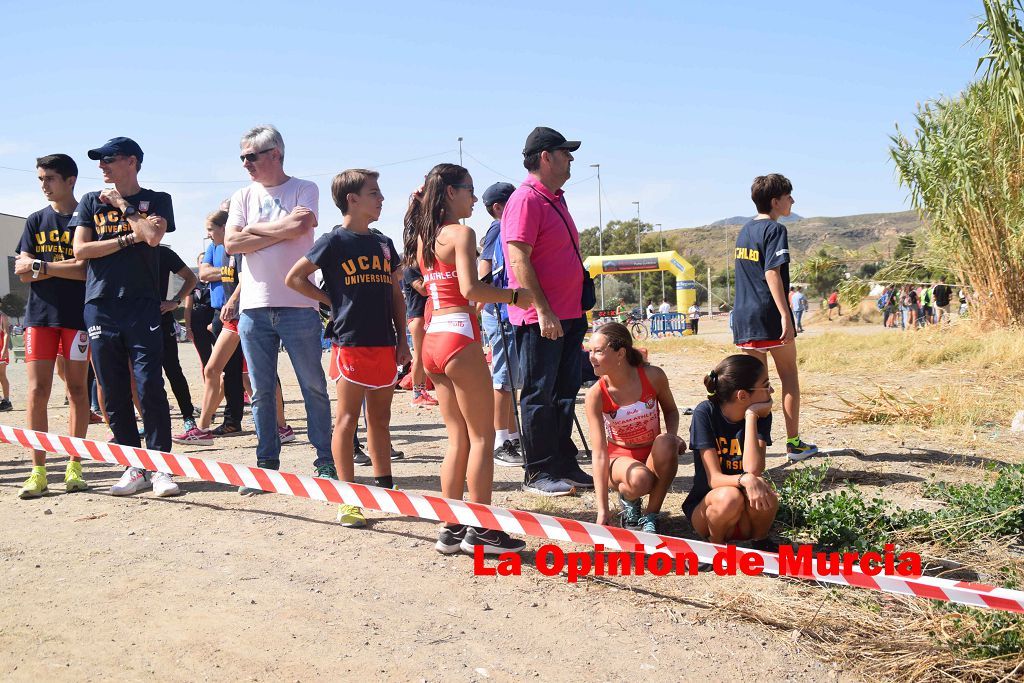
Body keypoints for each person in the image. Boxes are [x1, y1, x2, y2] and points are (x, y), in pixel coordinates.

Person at [404, 162, 531, 554]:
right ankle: (484, 530)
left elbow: (429, 286)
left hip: (434, 337)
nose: (475, 198)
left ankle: (452, 527)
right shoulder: (462, 232)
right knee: (482, 437)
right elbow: (471, 288)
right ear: (450, 193)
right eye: (469, 190)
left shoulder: (425, 238)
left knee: (457, 438)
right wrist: (515, 296)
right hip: (458, 333)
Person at [286, 168, 411, 528]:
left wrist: (403, 339)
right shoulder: (333, 241)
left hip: (384, 341)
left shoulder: (384, 243)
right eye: (374, 192)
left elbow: (395, 295)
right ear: (352, 199)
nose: (381, 198)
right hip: (350, 341)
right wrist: (331, 302)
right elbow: (294, 278)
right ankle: (348, 496)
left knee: (381, 421)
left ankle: (385, 487)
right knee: (346, 420)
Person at [224, 125, 335, 485]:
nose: (245, 163)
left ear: (275, 154)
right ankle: (267, 463)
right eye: (242, 157)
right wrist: (280, 229)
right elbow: (230, 244)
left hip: (299, 305)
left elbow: (301, 223)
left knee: (313, 386)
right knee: (261, 392)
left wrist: (253, 232)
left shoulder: (305, 188)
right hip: (253, 308)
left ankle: (325, 459)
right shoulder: (242, 195)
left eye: (251, 156)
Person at [70, 137, 179, 497]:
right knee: (113, 390)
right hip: (100, 303)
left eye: (109, 159)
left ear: (131, 162)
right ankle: (134, 465)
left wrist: (121, 205)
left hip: (141, 302)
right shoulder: (89, 201)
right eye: (99, 160)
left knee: (149, 384)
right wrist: (125, 239)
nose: (102, 166)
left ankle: (161, 465)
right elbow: (82, 250)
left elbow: (152, 236)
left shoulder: (157, 200)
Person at [503, 126, 594, 495]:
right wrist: (543, 309)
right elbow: (517, 257)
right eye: (565, 151)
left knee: (565, 391)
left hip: (568, 313)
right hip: (542, 317)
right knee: (540, 393)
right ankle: (538, 472)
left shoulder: (555, 198)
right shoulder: (525, 199)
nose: (570, 158)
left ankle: (563, 463)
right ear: (545, 156)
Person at [14, 153, 90, 498]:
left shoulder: (86, 217)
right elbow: (20, 269)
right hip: (39, 318)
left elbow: (85, 269)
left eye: (49, 179)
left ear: (70, 180)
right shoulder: (35, 220)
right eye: (41, 179)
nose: (44, 185)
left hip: (77, 316)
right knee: (36, 392)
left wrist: (41, 266)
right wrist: (57, 266)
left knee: (76, 390)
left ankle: (75, 466)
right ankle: (38, 470)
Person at [731, 173, 816, 461]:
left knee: (756, 386)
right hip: (767, 312)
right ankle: (793, 444)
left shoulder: (743, 231)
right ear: (775, 201)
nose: (792, 200)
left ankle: (754, 447)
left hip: (743, 316)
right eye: (789, 196)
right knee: (789, 377)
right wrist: (785, 315)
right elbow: (771, 272)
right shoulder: (775, 230)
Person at [584, 322, 682, 534]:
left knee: (666, 442)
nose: (591, 357)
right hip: (618, 459)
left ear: (621, 353)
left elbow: (672, 411)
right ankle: (629, 501)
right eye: (589, 351)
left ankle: (651, 515)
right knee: (639, 479)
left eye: (598, 351)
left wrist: (673, 436)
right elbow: (599, 453)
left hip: (652, 452)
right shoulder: (595, 394)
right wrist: (603, 509)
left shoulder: (653, 375)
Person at [683, 354, 778, 544]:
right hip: (710, 509)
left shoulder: (761, 415)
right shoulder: (706, 413)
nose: (772, 390)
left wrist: (751, 416)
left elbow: (754, 470)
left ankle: (761, 541)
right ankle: (715, 545)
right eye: (766, 385)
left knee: (766, 494)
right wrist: (745, 479)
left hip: (744, 517)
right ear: (742, 395)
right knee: (730, 496)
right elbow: (714, 479)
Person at [477, 181, 523, 467]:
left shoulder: (502, 227)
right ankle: (500, 440)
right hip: (501, 311)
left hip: (505, 311)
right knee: (504, 378)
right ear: (499, 207)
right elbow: (485, 266)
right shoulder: (499, 228)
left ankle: (514, 435)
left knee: (512, 378)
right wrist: (484, 302)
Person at [156, 244, 198, 432]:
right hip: (136, 323)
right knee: (146, 376)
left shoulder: (163, 253)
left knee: (173, 370)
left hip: (162, 320)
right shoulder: (126, 251)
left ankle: (188, 417)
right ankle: (151, 420)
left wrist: (176, 301)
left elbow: (191, 278)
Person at [401, 262, 437, 408]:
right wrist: (435, 276)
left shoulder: (419, 267)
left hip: (424, 315)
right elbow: (422, 289)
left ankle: (421, 391)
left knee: (424, 356)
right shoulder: (410, 268)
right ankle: (417, 394)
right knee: (419, 357)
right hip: (417, 317)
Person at [185, 252, 215, 369]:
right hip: (198, 324)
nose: (204, 263)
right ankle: (208, 386)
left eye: (206, 261)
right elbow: (187, 308)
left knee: (222, 358)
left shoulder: (216, 281)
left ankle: (224, 385)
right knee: (205, 359)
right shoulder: (193, 283)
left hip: (214, 320)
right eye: (201, 261)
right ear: (198, 264)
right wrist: (188, 328)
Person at [0, 313, 10, 411]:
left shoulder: (3, 317)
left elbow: (7, 333)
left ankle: (6, 401)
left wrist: (5, 349)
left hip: (0, 349)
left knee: (2, 375)